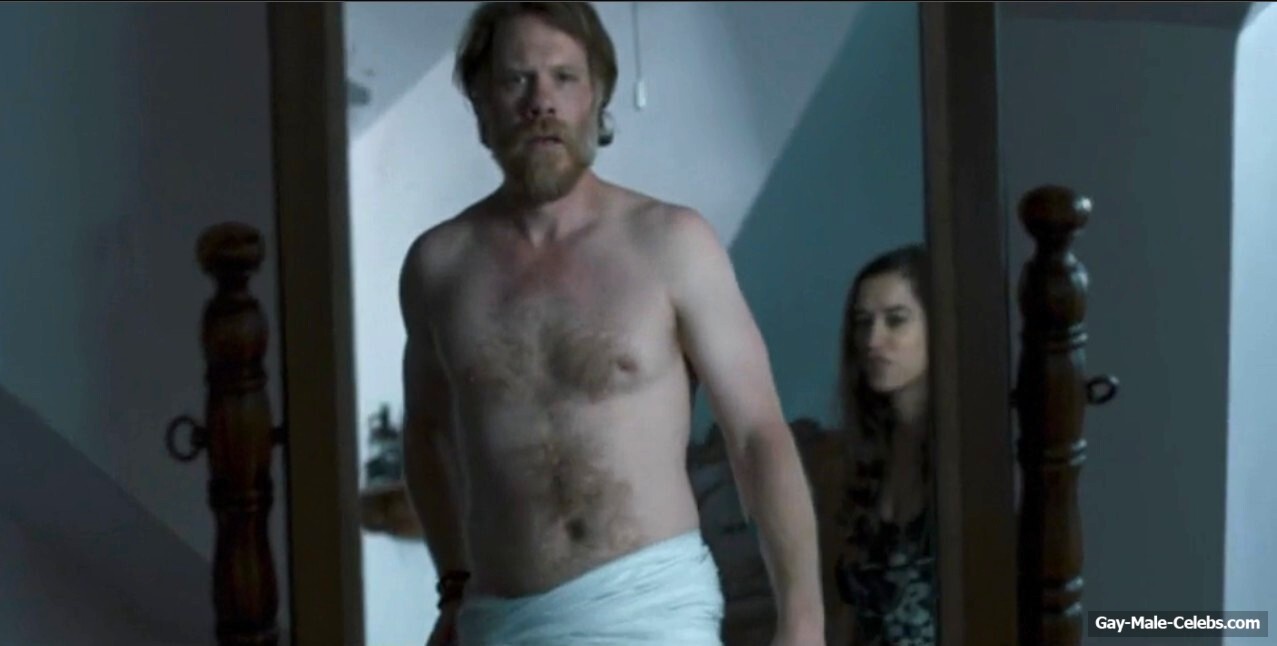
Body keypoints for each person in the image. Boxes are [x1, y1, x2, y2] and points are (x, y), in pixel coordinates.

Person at [396, 3, 825, 645]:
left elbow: (757, 435)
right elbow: (427, 433)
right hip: (505, 623)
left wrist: (803, 621)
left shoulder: (672, 242)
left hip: (653, 613)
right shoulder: (440, 267)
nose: (541, 101)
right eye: (516, 79)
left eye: (564, 77)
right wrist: (452, 587)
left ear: (596, 97)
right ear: (481, 102)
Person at [831, 245, 936, 645]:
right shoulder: (860, 451)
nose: (873, 340)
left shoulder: (968, 452)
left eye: (896, 320)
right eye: (863, 323)